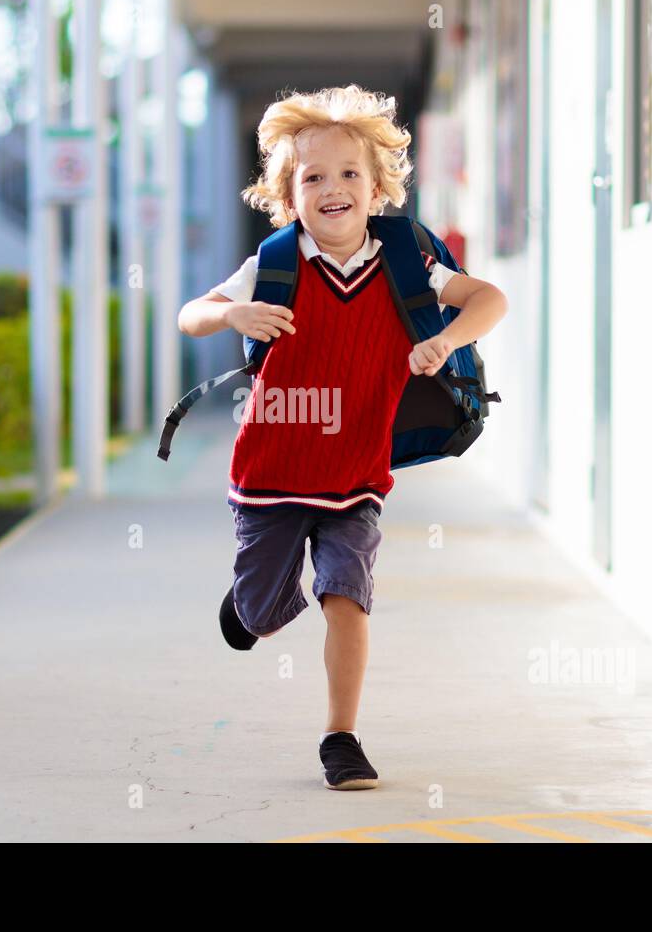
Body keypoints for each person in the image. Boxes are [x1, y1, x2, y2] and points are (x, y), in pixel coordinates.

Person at [176, 85, 508, 789]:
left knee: (347, 597)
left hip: (356, 474)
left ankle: (341, 737)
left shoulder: (405, 260)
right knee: (262, 613)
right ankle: (247, 607)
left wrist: (445, 341)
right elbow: (190, 314)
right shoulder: (277, 262)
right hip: (271, 471)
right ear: (288, 195)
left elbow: (489, 299)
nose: (333, 188)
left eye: (349, 173)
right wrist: (234, 315)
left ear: (378, 184)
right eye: (313, 177)